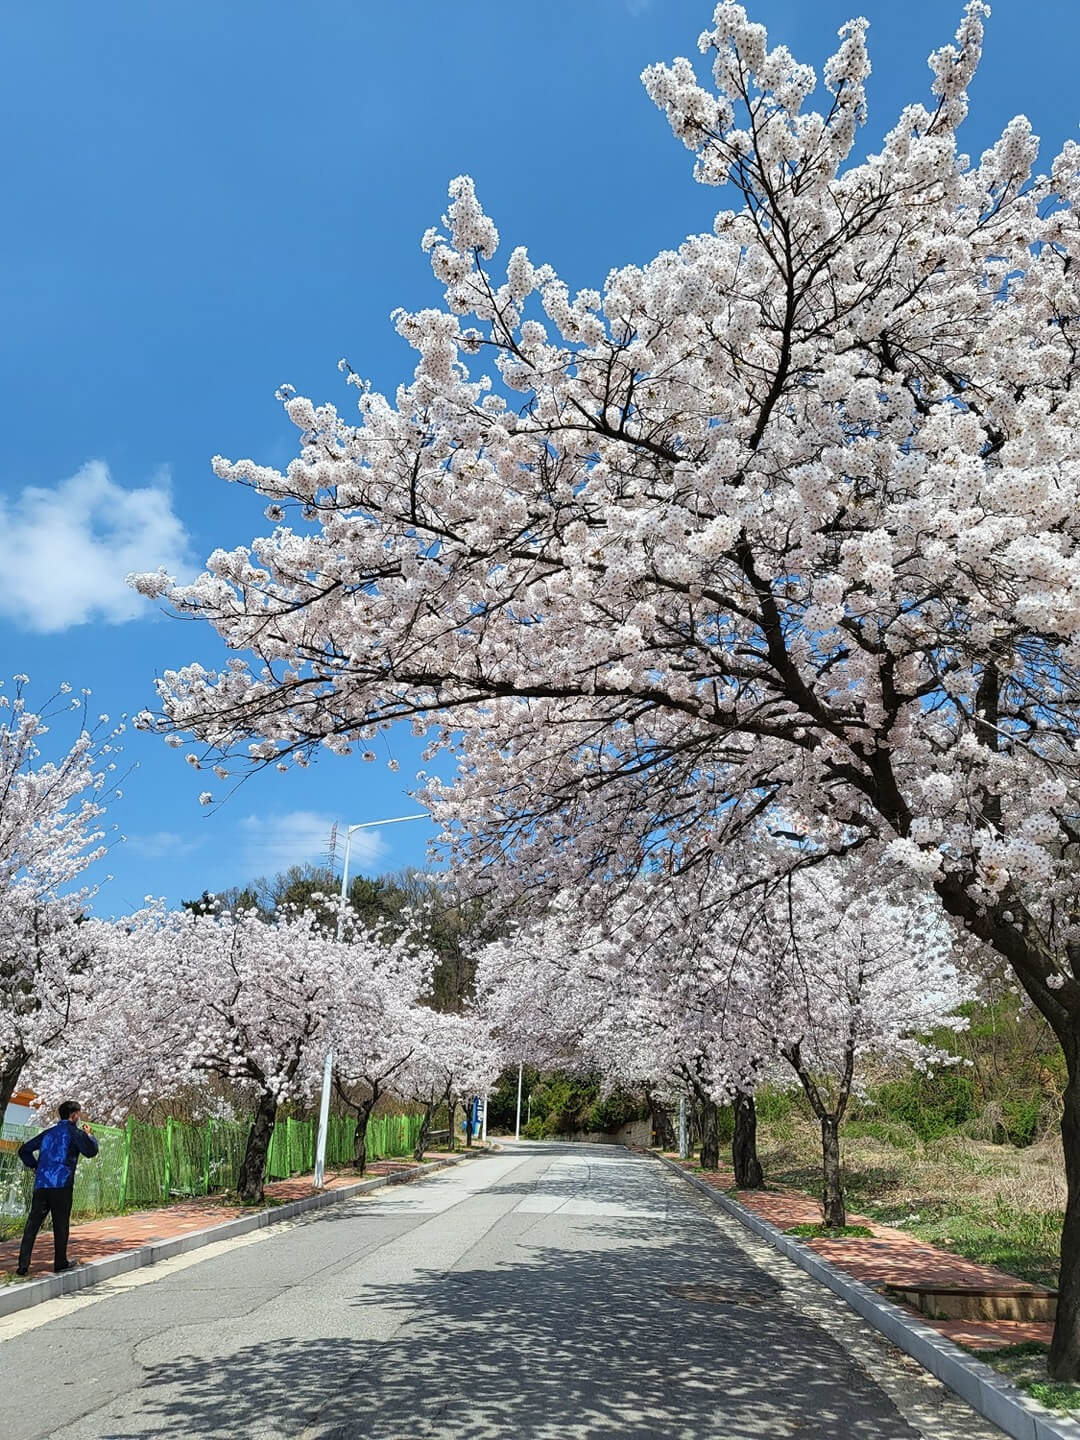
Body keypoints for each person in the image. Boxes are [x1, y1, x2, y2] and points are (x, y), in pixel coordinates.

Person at [16, 1100, 99, 1275]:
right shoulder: (75, 1133)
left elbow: (24, 1150)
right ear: (74, 1115)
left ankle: (23, 1265)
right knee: (60, 1224)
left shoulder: (48, 1133)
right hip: (62, 1184)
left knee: (32, 1225)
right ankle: (60, 1262)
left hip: (42, 1183)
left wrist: (34, 1166)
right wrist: (90, 1136)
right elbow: (91, 1151)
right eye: (79, 1114)